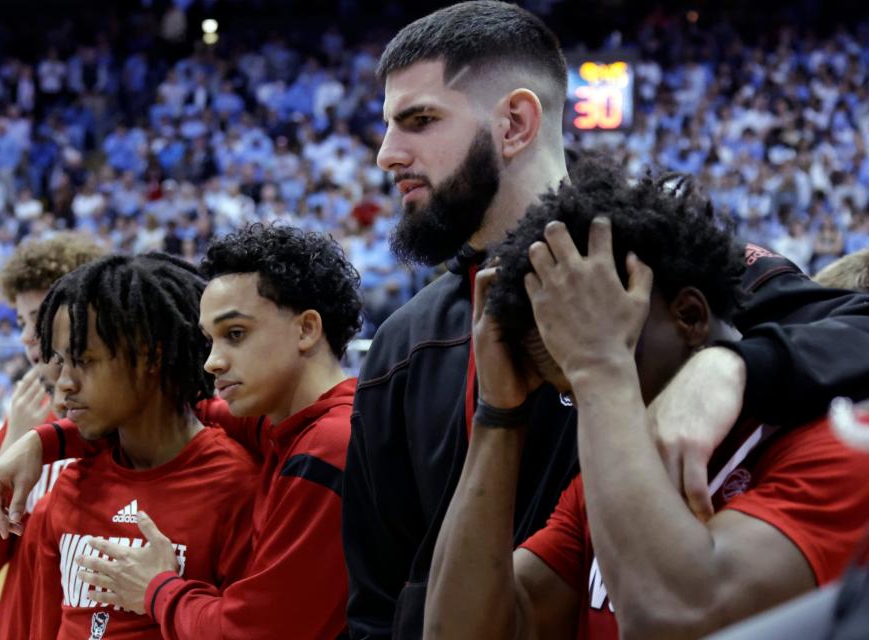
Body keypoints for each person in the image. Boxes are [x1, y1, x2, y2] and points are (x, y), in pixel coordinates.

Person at [343, 3, 869, 638]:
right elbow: (381, 600)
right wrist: (499, 415)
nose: (386, 156)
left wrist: (732, 367)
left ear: (515, 122)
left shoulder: (687, 267)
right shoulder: (404, 341)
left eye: (419, 120)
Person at [424, 158, 869, 639]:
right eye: (571, 393)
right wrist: (499, 413)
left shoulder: (837, 443)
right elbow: (458, 632)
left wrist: (598, 367)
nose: (591, 411)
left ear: (690, 316)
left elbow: (674, 617)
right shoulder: (607, 482)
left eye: (608, 347)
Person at [0, 224, 363, 638]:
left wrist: (157, 589)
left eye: (235, 334)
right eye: (209, 340)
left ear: (306, 329)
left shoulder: (326, 449)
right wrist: (46, 439)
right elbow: (183, 405)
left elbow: (253, 632)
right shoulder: (283, 426)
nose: (212, 361)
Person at [30, 252, 256, 639]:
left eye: (83, 360)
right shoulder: (70, 487)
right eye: (60, 362)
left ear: (149, 357)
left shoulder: (234, 486)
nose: (64, 384)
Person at [0, 233, 105, 640]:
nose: (25, 336)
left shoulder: (119, 424)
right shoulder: (19, 420)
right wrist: (10, 444)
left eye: (38, 317)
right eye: (20, 321)